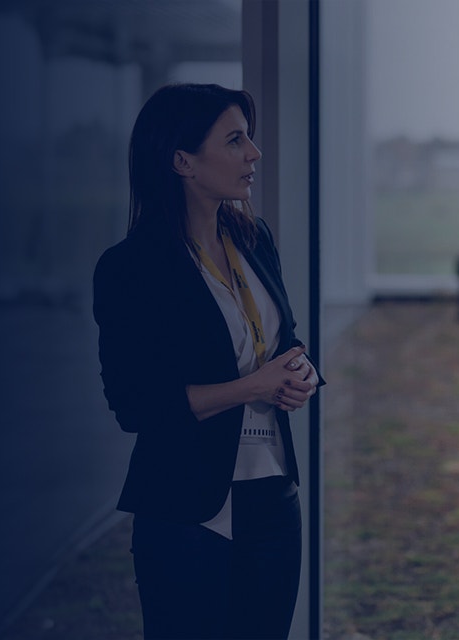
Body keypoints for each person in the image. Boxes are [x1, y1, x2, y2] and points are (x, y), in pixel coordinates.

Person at [93, 83, 324, 639]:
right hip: (186, 508)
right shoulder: (131, 268)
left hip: (272, 497)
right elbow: (135, 405)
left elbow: (286, 340)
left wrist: (304, 374)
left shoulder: (255, 238)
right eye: (235, 140)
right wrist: (253, 387)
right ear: (182, 161)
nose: (254, 154)